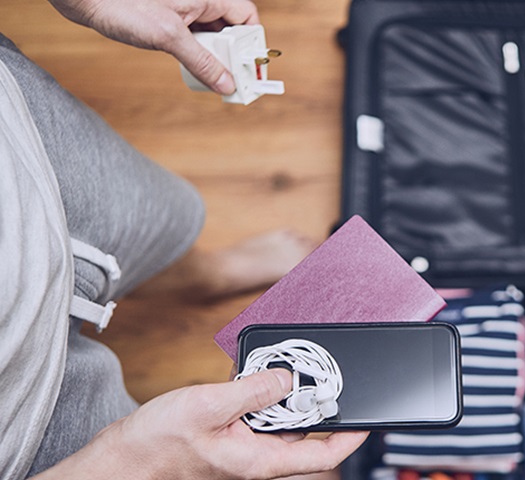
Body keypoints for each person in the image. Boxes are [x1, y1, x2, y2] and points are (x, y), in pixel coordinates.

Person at [0, 0, 368, 478]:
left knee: (156, 220)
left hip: (25, 153)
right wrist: (122, 463)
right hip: (24, 434)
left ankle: (206, 274)